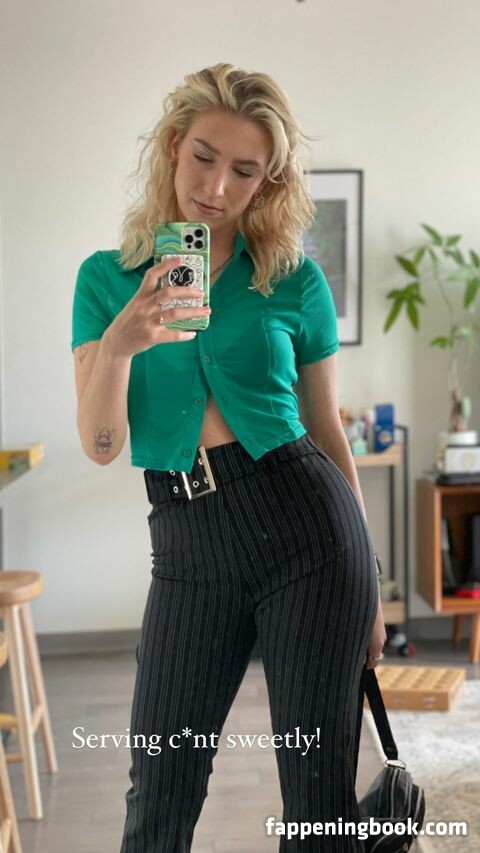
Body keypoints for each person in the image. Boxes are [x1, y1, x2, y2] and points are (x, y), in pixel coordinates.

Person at [71, 62, 386, 853]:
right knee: (159, 794)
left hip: (308, 526)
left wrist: (372, 588)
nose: (216, 187)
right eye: (204, 157)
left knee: (318, 802)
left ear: (267, 180)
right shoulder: (105, 281)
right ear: (173, 148)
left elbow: (328, 431)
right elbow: (100, 445)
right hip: (185, 539)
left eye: (244, 170)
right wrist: (121, 345)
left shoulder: (295, 280)